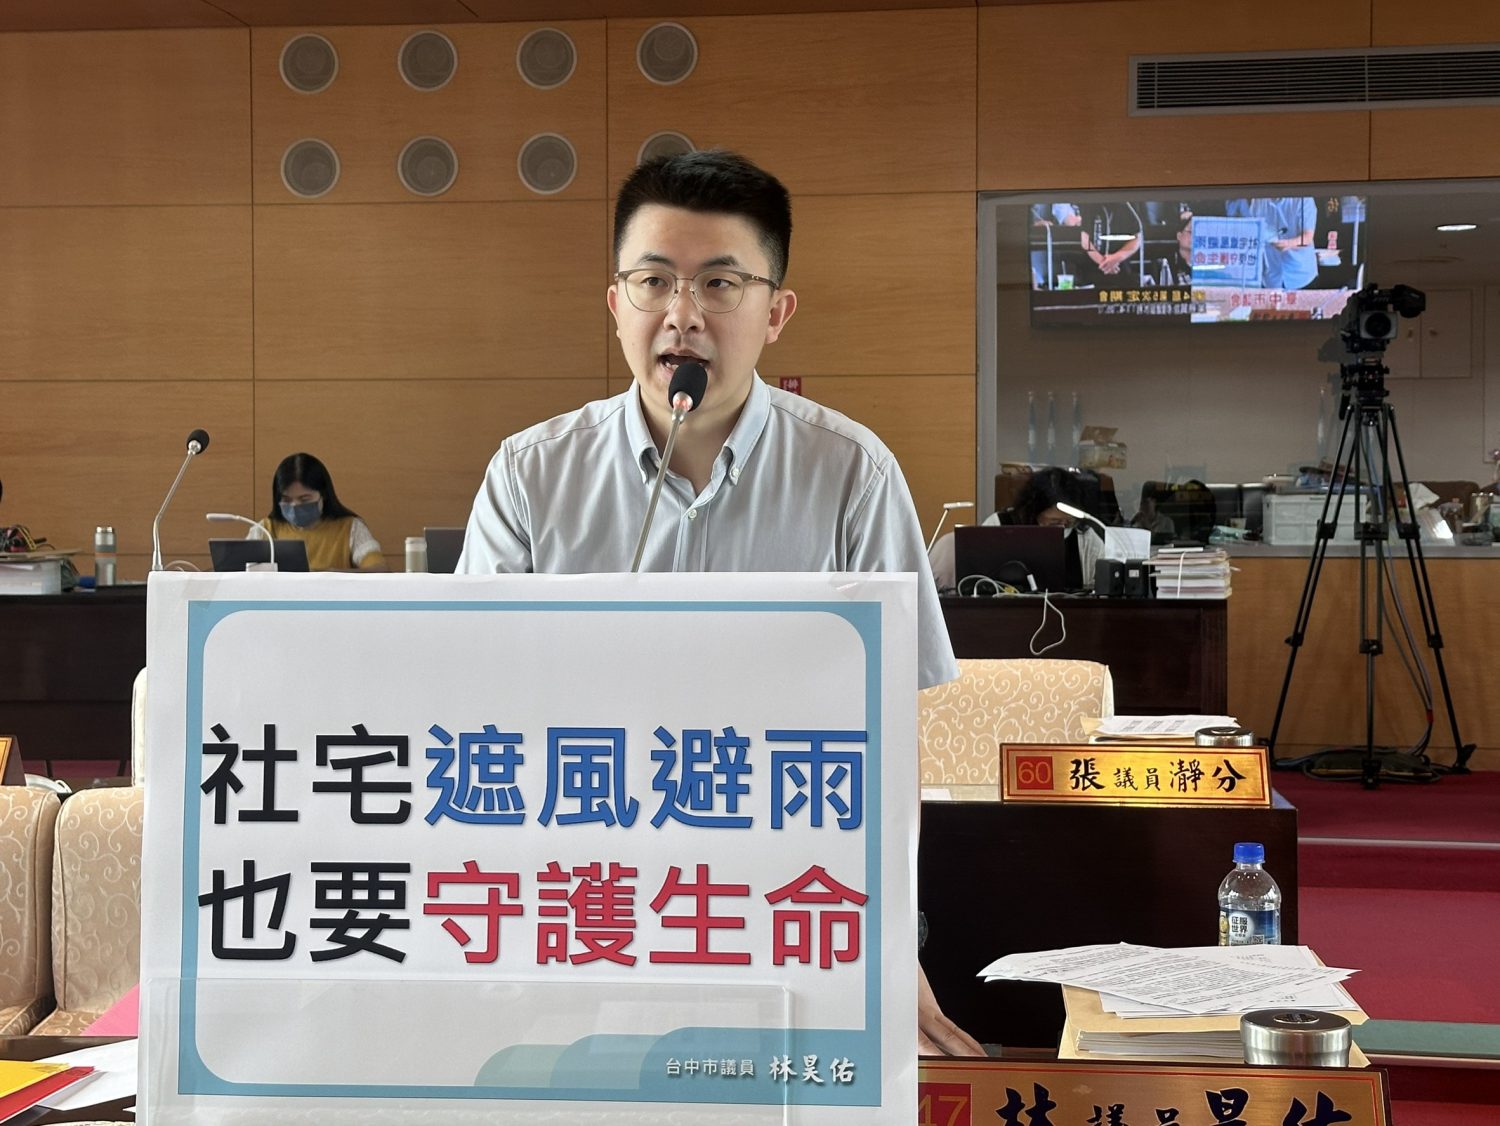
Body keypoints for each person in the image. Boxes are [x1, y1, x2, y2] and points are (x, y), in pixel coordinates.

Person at [459, 149, 982, 1056]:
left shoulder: (852, 476)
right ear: (615, 302)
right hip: (576, 897)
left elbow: (891, 738)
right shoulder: (529, 478)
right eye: (654, 281)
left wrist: (891, 941)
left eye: (719, 284)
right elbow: (470, 703)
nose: (683, 314)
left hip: (781, 901)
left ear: (775, 312)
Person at [256, 452, 385, 571]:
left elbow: (379, 570)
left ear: (324, 495)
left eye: (304, 499)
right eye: (287, 500)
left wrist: (328, 575)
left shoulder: (351, 528)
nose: (295, 506)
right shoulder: (265, 530)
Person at [1225, 197, 1318, 291]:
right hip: (1271, 277)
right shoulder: (1258, 201)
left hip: (1300, 276)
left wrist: (1289, 243)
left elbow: (1307, 238)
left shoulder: (1303, 199)